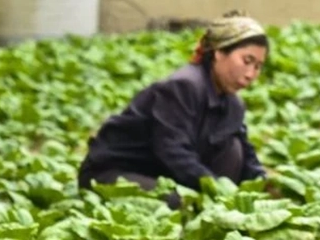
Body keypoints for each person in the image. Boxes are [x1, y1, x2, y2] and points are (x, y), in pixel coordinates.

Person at [77, 11, 270, 206]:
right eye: (247, 61)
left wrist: (261, 185)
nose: (251, 74)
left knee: (233, 148)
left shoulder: (233, 103)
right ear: (219, 52)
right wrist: (217, 189)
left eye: (258, 66)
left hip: (162, 174)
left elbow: (247, 154)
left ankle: (210, 205)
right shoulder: (183, 86)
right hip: (116, 172)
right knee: (176, 202)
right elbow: (173, 151)